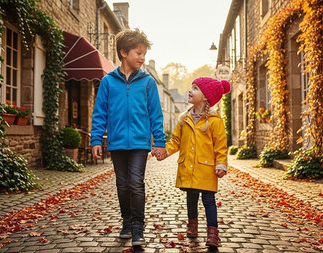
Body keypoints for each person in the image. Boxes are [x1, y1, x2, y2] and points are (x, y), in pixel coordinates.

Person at [91, 29, 166, 246]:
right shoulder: (108, 82)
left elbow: (155, 114)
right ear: (124, 53)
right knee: (122, 185)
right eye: (138, 53)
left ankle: (137, 227)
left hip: (140, 143)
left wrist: (159, 142)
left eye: (144, 53)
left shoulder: (148, 83)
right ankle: (126, 220)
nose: (142, 58)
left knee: (136, 183)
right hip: (116, 142)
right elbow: (100, 113)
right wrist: (96, 139)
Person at [154, 77, 230, 247]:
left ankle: (212, 233)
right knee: (191, 198)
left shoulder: (215, 121)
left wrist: (221, 164)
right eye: (191, 87)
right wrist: (165, 151)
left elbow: (220, 145)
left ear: (205, 97)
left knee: (209, 200)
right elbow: (175, 140)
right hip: (189, 167)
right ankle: (192, 226)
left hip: (207, 169)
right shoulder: (184, 119)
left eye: (195, 88)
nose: (190, 91)